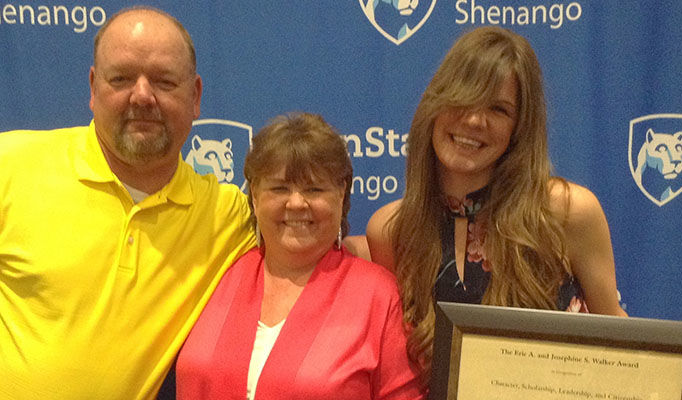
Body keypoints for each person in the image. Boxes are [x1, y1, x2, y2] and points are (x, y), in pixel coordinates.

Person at [0, 7, 254, 400]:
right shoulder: (10, 165)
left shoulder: (228, 214)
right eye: (120, 78)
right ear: (92, 87)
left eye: (165, 82)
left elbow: (316, 242)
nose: (142, 96)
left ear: (196, 96)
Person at [366, 26, 627, 375]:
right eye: (463, 98)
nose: (474, 120)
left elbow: (623, 348)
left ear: (520, 127)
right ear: (434, 105)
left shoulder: (567, 212)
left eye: (499, 109)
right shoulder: (391, 229)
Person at [175, 112, 425, 400]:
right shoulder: (218, 271)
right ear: (255, 195)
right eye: (279, 188)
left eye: (314, 189)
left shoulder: (380, 298)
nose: (296, 203)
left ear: (341, 194)